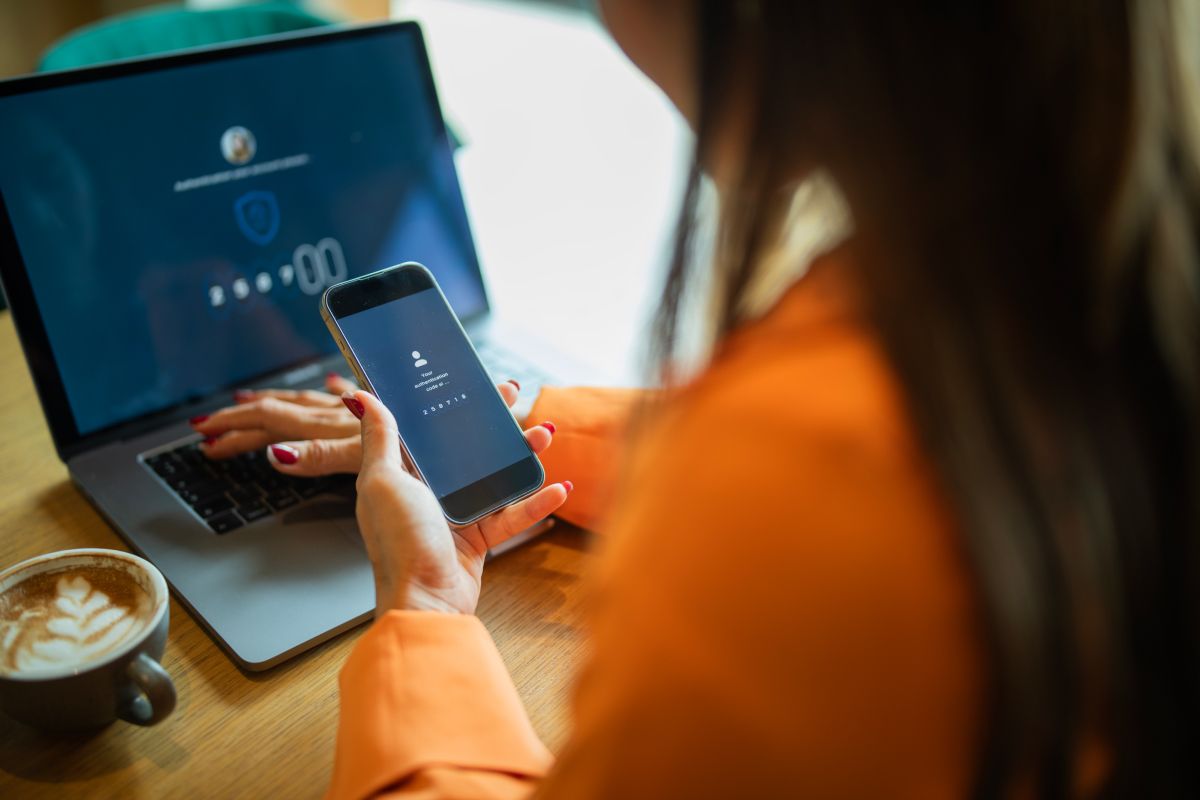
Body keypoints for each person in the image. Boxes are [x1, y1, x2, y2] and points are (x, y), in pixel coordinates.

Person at [193, 0, 1199, 796]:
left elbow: (814, 478)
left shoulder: (794, 467)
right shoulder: (1092, 268)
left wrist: (422, 617)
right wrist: (511, 421)